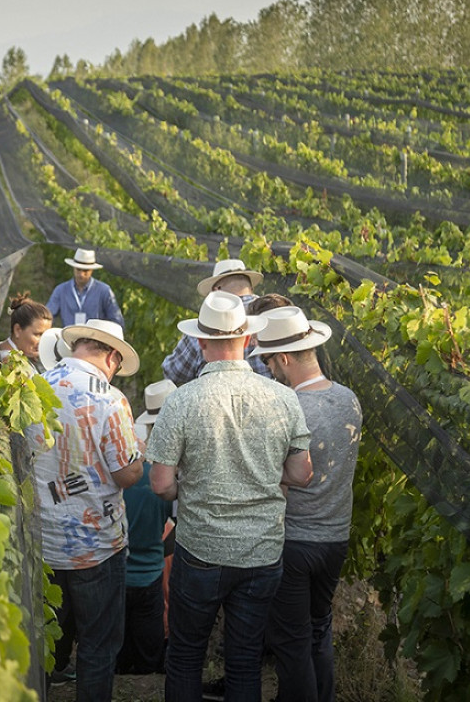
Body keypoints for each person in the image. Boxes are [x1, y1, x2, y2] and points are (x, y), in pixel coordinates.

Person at [146, 292, 314, 702]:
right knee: (244, 660)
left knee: (186, 655)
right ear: (249, 341)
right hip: (261, 552)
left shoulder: (181, 401)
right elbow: (301, 474)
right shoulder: (284, 398)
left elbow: (160, 483)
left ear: (201, 343)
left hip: (201, 548)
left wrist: (194, 487)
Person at [251, 307, 362, 702]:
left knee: (291, 640)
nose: (268, 368)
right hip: (335, 538)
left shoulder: (287, 407)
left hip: (294, 539)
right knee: (319, 629)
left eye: (268, 359)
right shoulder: (349, 400)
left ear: (284, 358)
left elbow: (276, 475)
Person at [31, 318, 144, 701]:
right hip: (96, 545)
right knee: (97, 645)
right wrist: (138, 456)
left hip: (42, 540)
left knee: (46, 641)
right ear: (112, 356)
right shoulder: (109, 399)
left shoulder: (35, 386)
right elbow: (126, 474)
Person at [117, 379, 177, 676]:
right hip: (153, 571)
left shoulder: (128, 469)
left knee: (121, 635)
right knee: (150, 640)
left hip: (121, 569)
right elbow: (171, 524)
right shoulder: (165, 480)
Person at [161, 259, 269, 385]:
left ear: (216, 290)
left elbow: (174, 372)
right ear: (250, 287)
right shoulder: (273, 315)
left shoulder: (205, 326)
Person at [47, 247, 124, 328]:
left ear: (92, 270)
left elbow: (117, 321)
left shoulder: (104, 291)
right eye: (78, 269)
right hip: (68, 337)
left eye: (85, 271)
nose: (81, 274)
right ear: (73, 268)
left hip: (95, 338)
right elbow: (48, 316)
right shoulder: (61, 290)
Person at [0, 292, 53, 372]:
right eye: (37, 334)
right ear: (18, 330)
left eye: (45, 335)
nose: (42, 341)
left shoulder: (1, 350)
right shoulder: (11, 364)